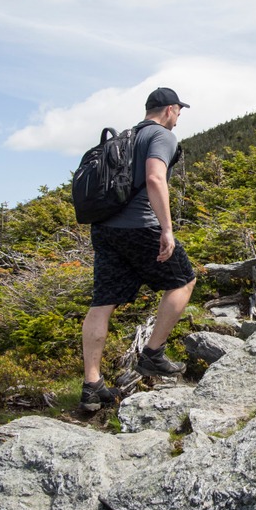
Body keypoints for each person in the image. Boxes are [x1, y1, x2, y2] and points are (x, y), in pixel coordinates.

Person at [79, 86, 198, 412]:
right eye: (179, 111)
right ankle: (153, 354)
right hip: (141, 226)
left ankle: (91, 386)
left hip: (105, 229)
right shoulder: (162, 136)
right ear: (170, 109)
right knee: (184, 280)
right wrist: (167, 229)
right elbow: (155, 179)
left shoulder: (125, 137)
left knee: (102, 303)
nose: (178, 117)